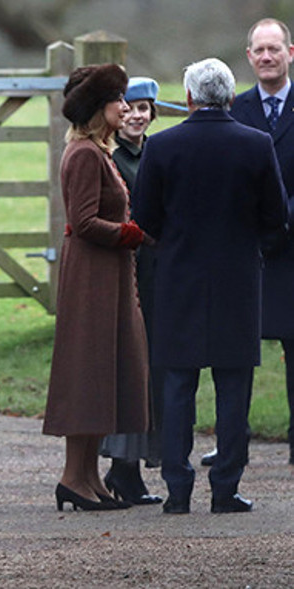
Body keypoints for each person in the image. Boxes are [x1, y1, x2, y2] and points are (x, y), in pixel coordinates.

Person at [134, 58, 288, 514]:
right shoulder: (257, 144)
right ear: (228, 95)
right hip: (238, 280)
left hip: (178, 277)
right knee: (233, 387)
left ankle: (177, 489)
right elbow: (275, 216)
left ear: (188, 98)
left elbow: (144, 216)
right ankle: (225, 488)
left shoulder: (161, 147)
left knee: (178, 385)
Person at [42, 63, 149, 512]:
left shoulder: (96, 150)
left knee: (104, 375)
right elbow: (83, 221)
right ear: (96, 108)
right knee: (87, 375)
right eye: (117, 100)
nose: (125, 108)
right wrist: (131, 233)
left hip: (107, 273)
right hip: (91, 277)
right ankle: (73, 477)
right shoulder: (84, 154)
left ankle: (89, 478)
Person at [201, 18, 294, 468]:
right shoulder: (234, 110)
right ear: (249, 57)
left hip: (292, 251)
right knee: (235, 354)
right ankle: (232, 441)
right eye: (258, 50)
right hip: (245, 251)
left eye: (274, 49)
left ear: (290, 53)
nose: (266, 57)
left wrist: (282, 217)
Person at [99, 77, 163, 505]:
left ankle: (133, 464)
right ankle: (121, 467)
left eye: (145, 108)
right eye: (131, 107)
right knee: (127, 367)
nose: (138, 115)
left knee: (152, 368)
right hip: (126, 265)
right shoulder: (111, 159)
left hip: (158, 272)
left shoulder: (158, 153)